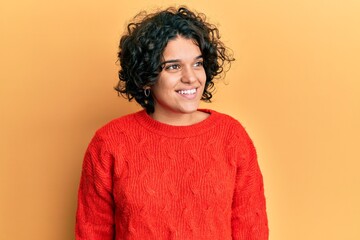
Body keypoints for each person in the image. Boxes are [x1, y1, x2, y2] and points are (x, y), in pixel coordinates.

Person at [75, 6, 268, 240]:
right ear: (146, 78)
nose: (191, 77)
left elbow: (251, 231)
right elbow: (93, 232)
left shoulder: (231, 136)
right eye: (173, 66)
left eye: (197, 63)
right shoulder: (109, 143)